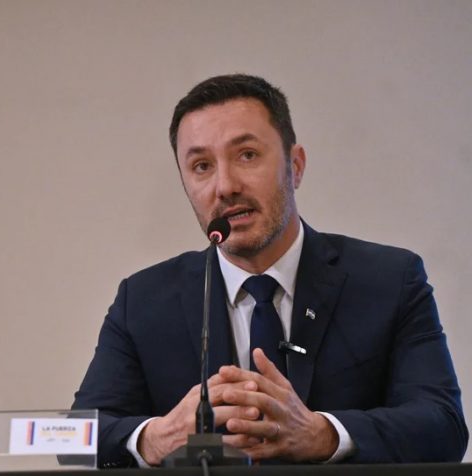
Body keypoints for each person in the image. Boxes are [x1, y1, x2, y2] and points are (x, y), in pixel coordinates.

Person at [72, 74, 467, 467]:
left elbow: (444, 426)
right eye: (202, 166)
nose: (225, 186)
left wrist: (323, 434)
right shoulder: (142, 300)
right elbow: (73, 438)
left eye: (247, 155)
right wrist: (155, 438)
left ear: (295, 166)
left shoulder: (390, 280)